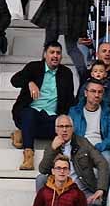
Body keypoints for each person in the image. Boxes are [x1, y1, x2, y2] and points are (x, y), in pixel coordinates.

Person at [11, 42, 76, 171]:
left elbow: (69, 99)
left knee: (63, 128)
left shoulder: (66, 73)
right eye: (52, 52)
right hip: (31, 112)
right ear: (45, 54)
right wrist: (29, 82)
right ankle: (28, 155)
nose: (55, 56)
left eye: (58, 53)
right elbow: (14, 80)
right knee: (29, 115)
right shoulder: (33, 67)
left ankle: (23, 133)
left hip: (52, 116)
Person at [38, 114, 109, 205]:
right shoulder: (51, 146)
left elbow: (102, 162)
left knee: (97, 203)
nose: (64, 130)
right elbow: (43, 170)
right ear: (56, 129)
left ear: (73, 129)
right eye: (61, 126)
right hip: (60, 192)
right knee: (40, 178)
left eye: (67, 126)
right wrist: (53, 149)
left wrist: (100, 189)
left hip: (83, 191)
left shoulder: (83, 143)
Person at [30, 0, 90, 79]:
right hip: (75, 5)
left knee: (50, 45)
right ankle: (85, 77)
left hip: (57, 2)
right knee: (71, 47)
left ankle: (42, 75)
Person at [70, 79, 110, 173]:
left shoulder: (109, 112)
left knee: (108, 159)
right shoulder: (74, 112)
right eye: (93, 91)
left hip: (102, 148)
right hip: (81, 148)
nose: (97, 95)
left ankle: (103, 188)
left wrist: (98, 147)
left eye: (100, 92)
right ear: (85, 93)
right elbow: (70, 135)